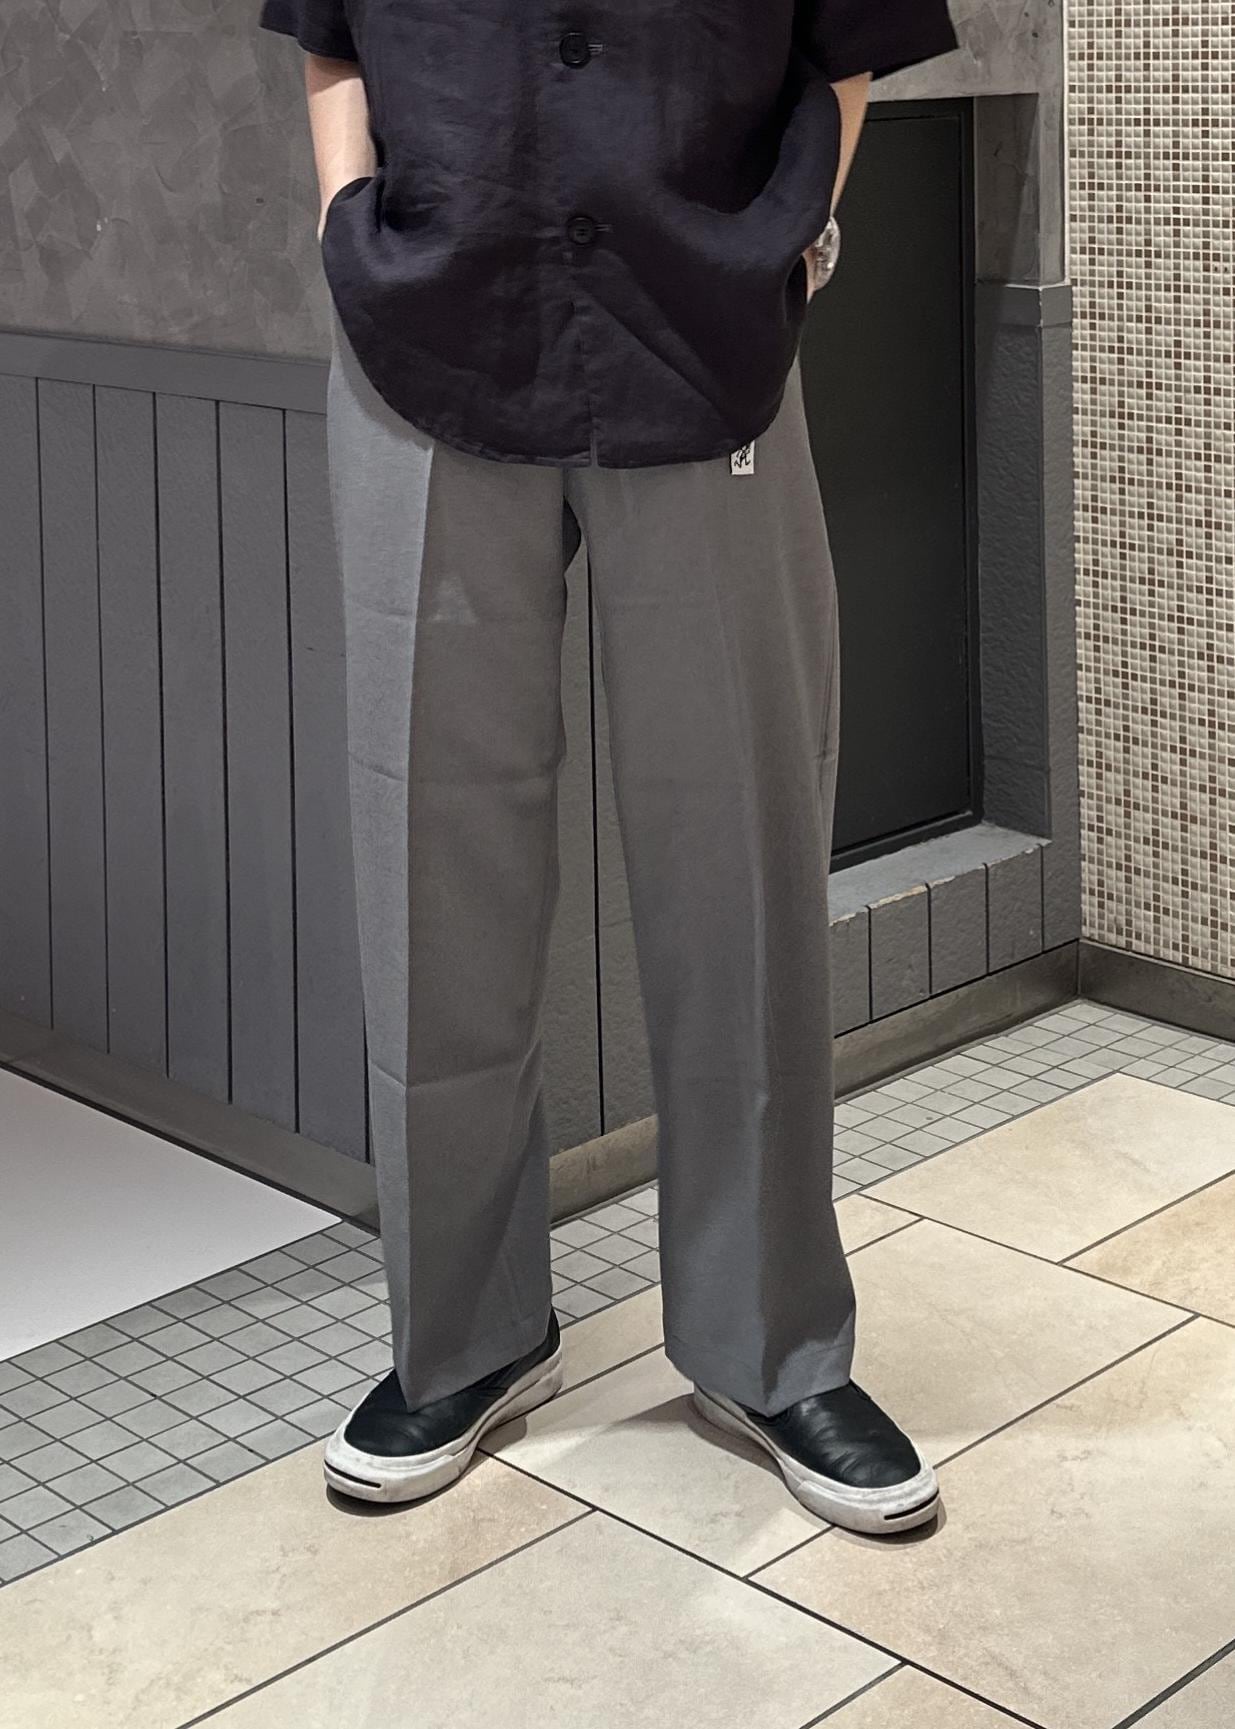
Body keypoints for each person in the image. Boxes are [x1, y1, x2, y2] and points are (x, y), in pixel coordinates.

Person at [258, 0, 959, 1537]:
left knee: (741, 855)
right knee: (432, 852)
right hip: (423, 336)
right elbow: (330, 33)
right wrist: (344, 220)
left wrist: (785, 241)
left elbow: (849, 44)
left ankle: (769, 1345)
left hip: (703, 343)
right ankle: (464, 1335)